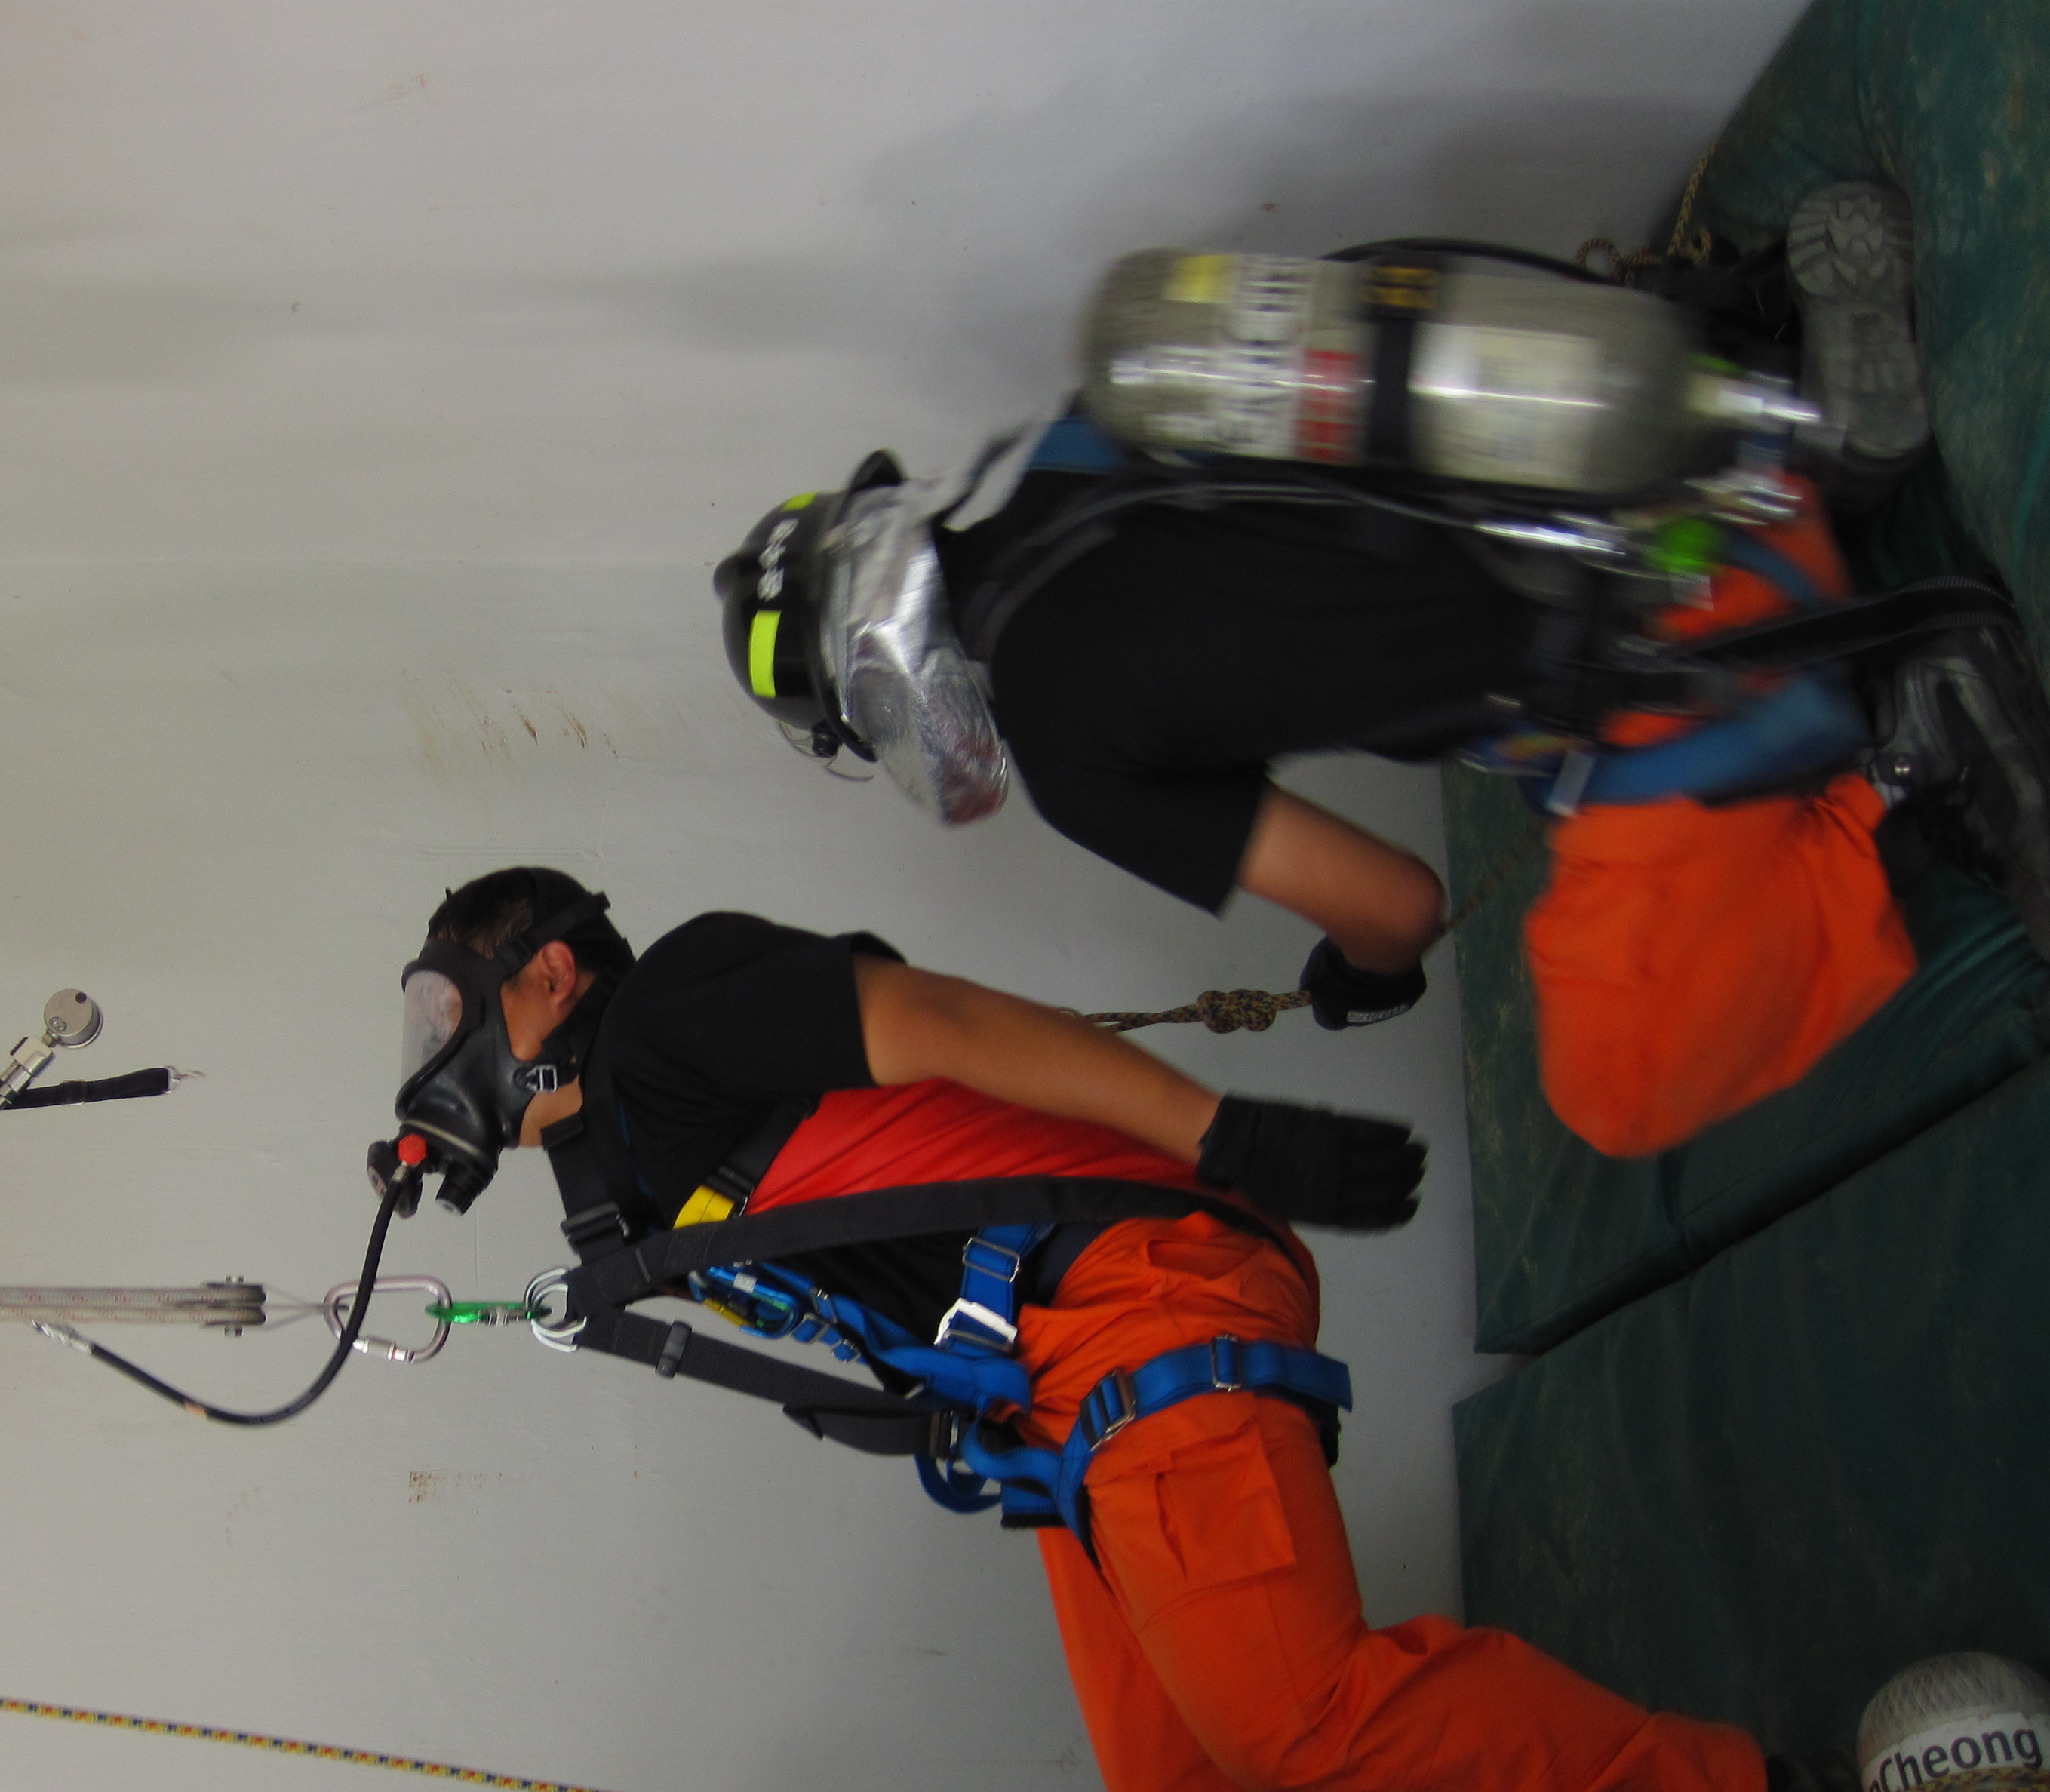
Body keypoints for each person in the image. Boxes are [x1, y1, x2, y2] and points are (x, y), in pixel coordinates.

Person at [397, 864, 1886, 1792]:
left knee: (1290, 1718)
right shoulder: (633, 1170)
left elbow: (934, 1019)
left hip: (1132, 1287)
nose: (427, 1048)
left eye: (444, 1007)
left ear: (549, 976)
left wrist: (1223, 1135)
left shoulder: (671, 1008)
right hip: (1050, 1398)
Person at [714, 183, 2050, 1160]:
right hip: (1703, 425)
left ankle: (1906, 752)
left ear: (879, 688)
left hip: (1704, 647)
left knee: (1612, 1089)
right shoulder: (1098, 415)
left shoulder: (1069, 758)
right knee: (1523, 675)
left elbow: (1396, 901)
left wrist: (1366, 977)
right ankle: (1819, 437)